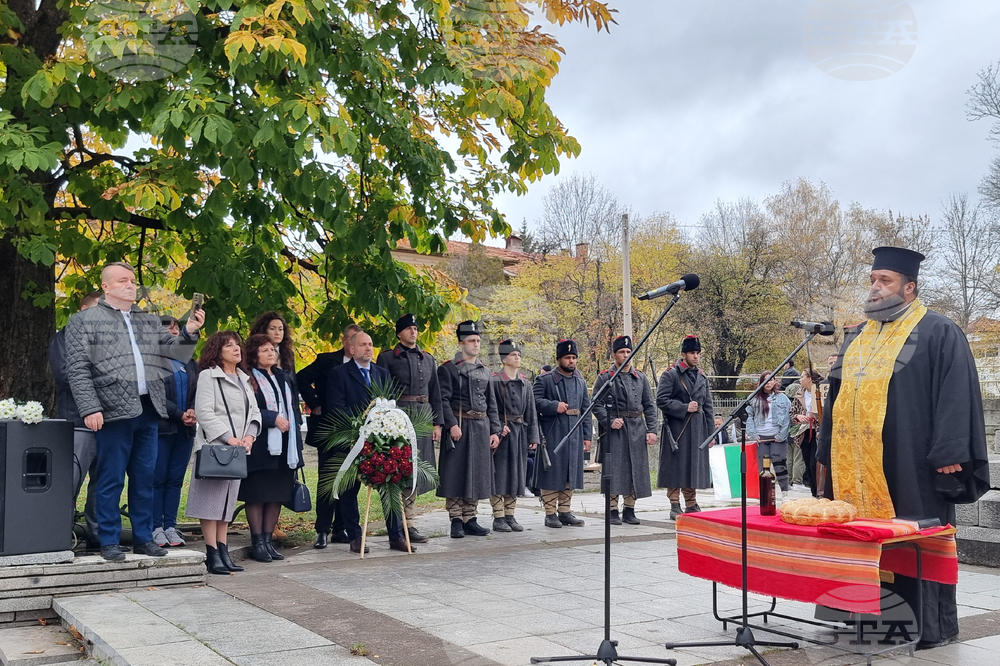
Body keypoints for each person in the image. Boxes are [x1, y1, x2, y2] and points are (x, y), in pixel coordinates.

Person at [817, 246, 990, 648]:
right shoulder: (857, 336)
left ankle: (924, 627)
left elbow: (956, 393)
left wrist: (951, 451)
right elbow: (837, 397)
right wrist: (825, 452)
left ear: (909, 287)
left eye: (885, 280)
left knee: (913, 542)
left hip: (910, 461)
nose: (875, 288)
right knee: (857, 538)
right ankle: (861, 620)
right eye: (872, 280)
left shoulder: (937, 331)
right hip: (854, 466)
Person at [65, 262, 204, 561]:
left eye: (132, 280)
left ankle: (143, 538)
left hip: (149, 409)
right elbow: (77, 369)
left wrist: (190, 331)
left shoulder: (147, 320)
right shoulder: (84, 321)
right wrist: (91, 407)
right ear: (105, 287)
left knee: (144, 479)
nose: (130, 285)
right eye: (122, 281)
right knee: (110, 479)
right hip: (112, 410)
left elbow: (176, 352)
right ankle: (109, 541)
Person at [328, 331, 412, 552]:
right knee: (349, 491)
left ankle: (396, 536)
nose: (368, 348)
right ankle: (355, 537)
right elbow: (337, 407)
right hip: (351, 441)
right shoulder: (339, 374)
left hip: (380, 441)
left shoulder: (382, 373)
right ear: (352, 349)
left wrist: (384, 428)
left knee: (389, 487)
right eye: (363, 344)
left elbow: (390, 405)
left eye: (370, 344)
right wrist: (363, 426)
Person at [190, 331, 259, 574]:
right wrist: (229, 438)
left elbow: (254, 412)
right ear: (217, 351)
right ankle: (212, 553)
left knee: (227, 503)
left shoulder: (244, 378)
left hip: (238, 450)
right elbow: (204, 412)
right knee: (211, 503)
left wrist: (250, 436)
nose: (236, 348)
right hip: (216, 448)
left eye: (237, 344)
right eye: (229, 346)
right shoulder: (209, 376)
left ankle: (223, 550)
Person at [376, 314, 443, 544]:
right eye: (408, 328)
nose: (413, 332)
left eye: (415, 328)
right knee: (399, 468)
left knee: (416, 469)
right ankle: (398, 523)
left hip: (423, 416)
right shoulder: (387, 357)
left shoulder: (428, 359)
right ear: (399, 333)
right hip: (399, 418)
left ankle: (410, 522)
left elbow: (436, 393)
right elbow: (381, 392)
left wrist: (437, 423)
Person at [298, 323, 362, 548]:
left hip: (354, 433)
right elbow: (301, 377)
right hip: (328, 430)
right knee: (328, 478)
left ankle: (340, 528)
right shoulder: (327, 361)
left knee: (349, 481)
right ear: (344, 341)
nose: (355, 343)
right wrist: (314, 402)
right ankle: (322, 530)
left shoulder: (364, 366)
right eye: (352, 339)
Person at [243, 334, 305, 562]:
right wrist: (272, 418)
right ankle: (257, 542)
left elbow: (293, 408)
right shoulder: (248, 378)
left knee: (276, 494)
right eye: (265, 350)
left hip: (285, 445)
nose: (271, 353)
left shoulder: (282, 376)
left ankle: (268, 541)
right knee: (257, 494)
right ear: (254, 354)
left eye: (272, 349)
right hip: (260, 444)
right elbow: (247, 409)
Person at [48, 290, 102, 550]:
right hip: (78, 422)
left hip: (110, 424)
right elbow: (65, 375)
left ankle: (99, 536)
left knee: (103, 485)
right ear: (83, 310)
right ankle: (60, 535)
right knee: (70, 481)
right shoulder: (63, 338)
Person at [437, 321, 501, 538]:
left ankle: (470, 518)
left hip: (481, 427)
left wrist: (495, 431)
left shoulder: (485, 371)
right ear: (461, 343)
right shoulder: (448, 368)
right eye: (471, 340)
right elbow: (443, 400)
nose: (476, 344)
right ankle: (456, 519)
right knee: (455, 473)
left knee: (476, 474)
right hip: (459, 427)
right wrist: (451, 424)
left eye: (478, 340)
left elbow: (492, 404)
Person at [592, 335, 657, 526]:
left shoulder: (641, 377)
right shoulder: (605, 377)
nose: (626, 355)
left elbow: (649, 406)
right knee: (614, 470)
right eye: (622, 352)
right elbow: (595, 404)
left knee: (635, 469)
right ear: (614, 355)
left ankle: (629, 509)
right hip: (615, 432)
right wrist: (609, 421)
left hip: (637, 429)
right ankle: (612, 510)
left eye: (629, 352)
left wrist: (652, 430)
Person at [533, 339, 591, 529]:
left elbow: (585, 410)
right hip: (553, 432)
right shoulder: (545, 380)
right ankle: (550, 513)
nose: (571, 361)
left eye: (574, 357)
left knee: (570, 472)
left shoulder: (580, 381)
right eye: (567, 357)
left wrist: (587, 436)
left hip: (574, 433)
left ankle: (565, 511)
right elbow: (533, 402)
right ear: (559, 359)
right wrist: (553, 406)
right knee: (552, 473)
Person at [152, 315, 198, 548]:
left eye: (177, 328)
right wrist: (179, 414)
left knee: (175, 480)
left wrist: (192, 411)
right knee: (157, 479)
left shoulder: (188, 360)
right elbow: (156, 395)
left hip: (185, 431)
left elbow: (197, 389)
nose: (173, 331)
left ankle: (170, 525)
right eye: (167, 328)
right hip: (161, 429)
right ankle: (155, 527)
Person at [657, 335, 715, 520]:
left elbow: (708, 407)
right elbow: (661, 400)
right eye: (692, 353)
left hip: (697, 429)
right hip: (677, 429)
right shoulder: (670, 374)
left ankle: (691, 503)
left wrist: (711, 433)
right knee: (676, 467)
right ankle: (674, 504)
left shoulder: (702, 377)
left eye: (697, 353)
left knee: (692, 466)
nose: (695, 356)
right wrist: (684, 407)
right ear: (683, 354)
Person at [489, 339, 539, 532]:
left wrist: (533, 436)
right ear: (504, 358)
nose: (517, 357)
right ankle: (498, 516)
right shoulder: (494, 380)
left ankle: (510, 515)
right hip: (502, 434)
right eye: (513, 354)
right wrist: (496, 428)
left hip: (519, 433)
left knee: (516, 474)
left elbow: (531, 412)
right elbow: (490, 408)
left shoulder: (525, 383)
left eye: (519, 354)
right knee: (499, 474)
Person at [746, 372, 792, 492]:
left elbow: (787, 417)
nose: (768, 383)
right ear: (761, 382)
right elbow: (749, 416)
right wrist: (752, 434)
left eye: (771, 380)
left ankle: (785, 492)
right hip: (760, 438)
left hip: (777, 437)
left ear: (775, 382)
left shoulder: (783, 398)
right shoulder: (753, 398)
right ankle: (764, 494)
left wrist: (782, 435)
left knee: (780, 466)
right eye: (765, 380)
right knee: (762, 469)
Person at [790, 369, 822, 497]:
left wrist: (815, 416)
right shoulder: (800, 393)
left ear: (809, 379)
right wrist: (798, 416)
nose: (800, 379)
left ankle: (820, 492)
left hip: (817, 431)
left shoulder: (820, 391)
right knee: (808, 464)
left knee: (815, 463)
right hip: (804, 431)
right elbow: (792, 413)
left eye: (802, 377)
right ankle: (814, 493)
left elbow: (827, 412)